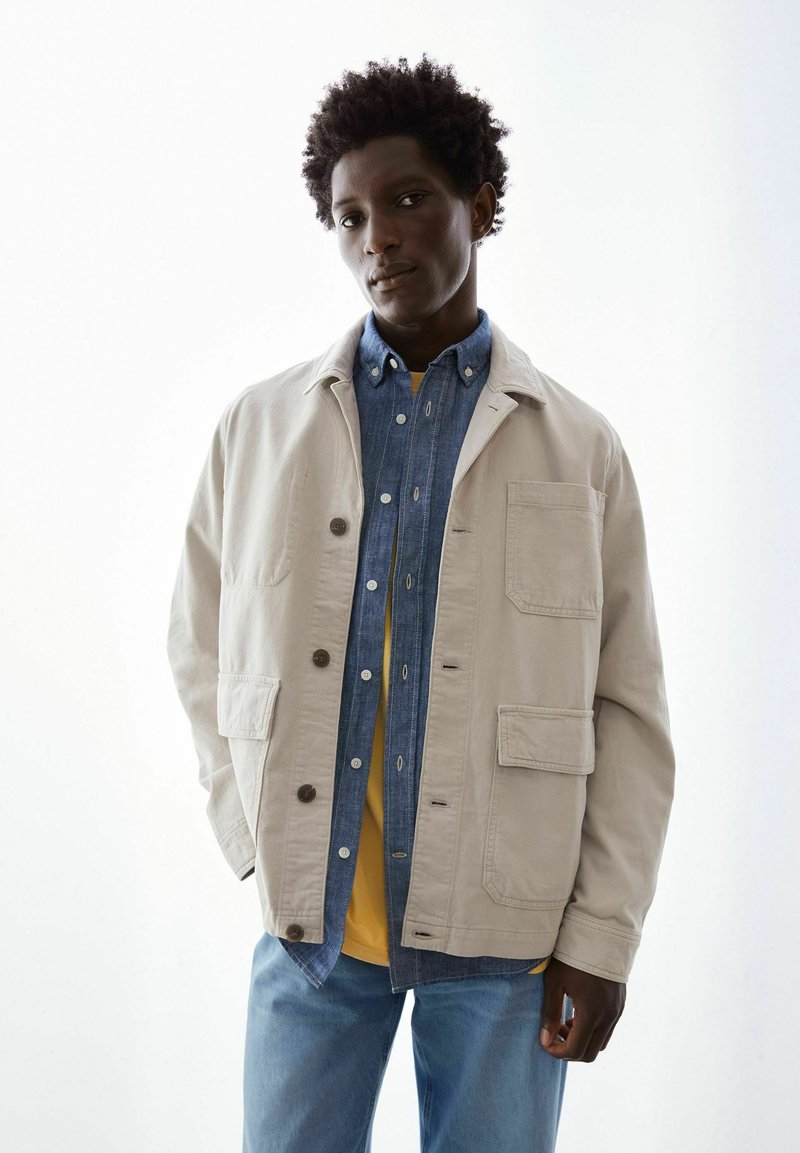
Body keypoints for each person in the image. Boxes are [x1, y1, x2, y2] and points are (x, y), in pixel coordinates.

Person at [166, 54, 676, 1153]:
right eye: (350, 216)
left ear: (478, 206)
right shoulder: (257, 430)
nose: (377, 239)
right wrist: (249, 837)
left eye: (407, 201)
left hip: (503, 932)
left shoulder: (580, 449)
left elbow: (628, 708)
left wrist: (602, 937)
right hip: (314, 931)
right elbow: (199, 644)